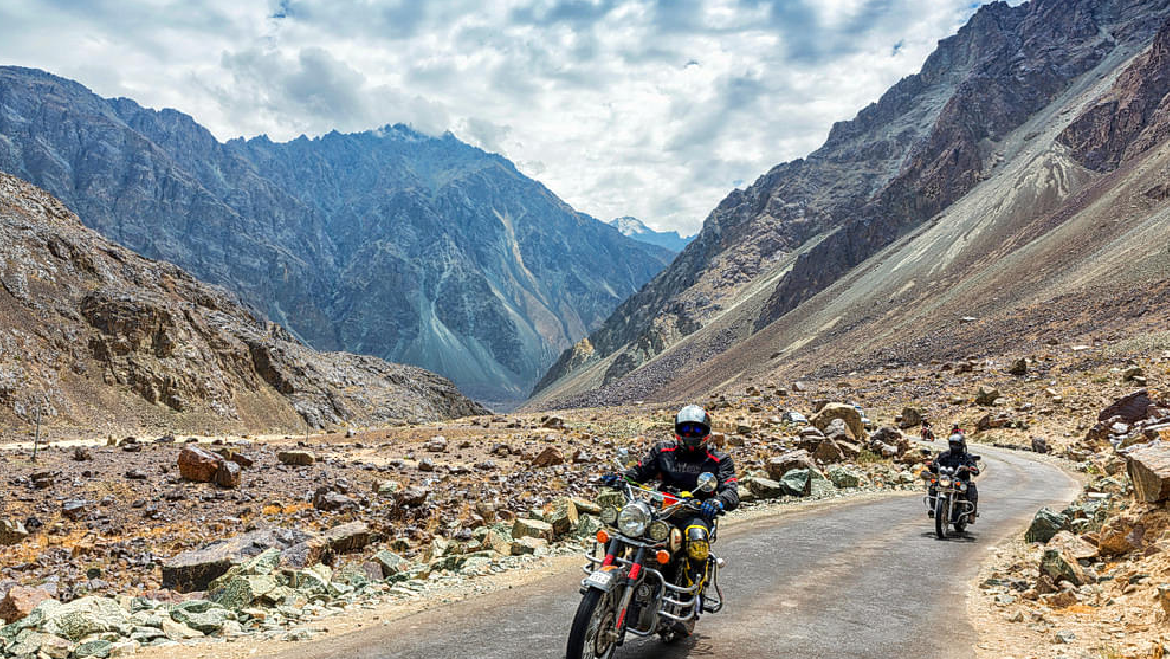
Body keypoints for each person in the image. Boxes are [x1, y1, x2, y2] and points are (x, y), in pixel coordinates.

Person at [601, 405, 738, 586]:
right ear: (677, 430)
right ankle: (612, 576)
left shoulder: (720, 460)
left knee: (697, 538)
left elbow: (731, 489)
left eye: (696, 429)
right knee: (619, 527)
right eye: (685, 429)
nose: (690, 434)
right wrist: (620, 478)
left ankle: (691, 591)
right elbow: (640, 471)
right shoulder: (663, 451)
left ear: (706, 432)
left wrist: (718, 502)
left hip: (695, 513)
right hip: (662, 509)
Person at [928, 428, 980, 520]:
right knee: (932, 485)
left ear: (961, 444)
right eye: (952, 443)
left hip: (962, 480)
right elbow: (936, 464)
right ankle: (933, 508)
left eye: (956, 444)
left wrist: (970, 468)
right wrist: (932, 465)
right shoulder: (944, 455)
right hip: (946, 479)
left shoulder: (967, 457)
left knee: (971, 488)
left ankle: (972, 513)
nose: (954, 446)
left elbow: (975, 469)